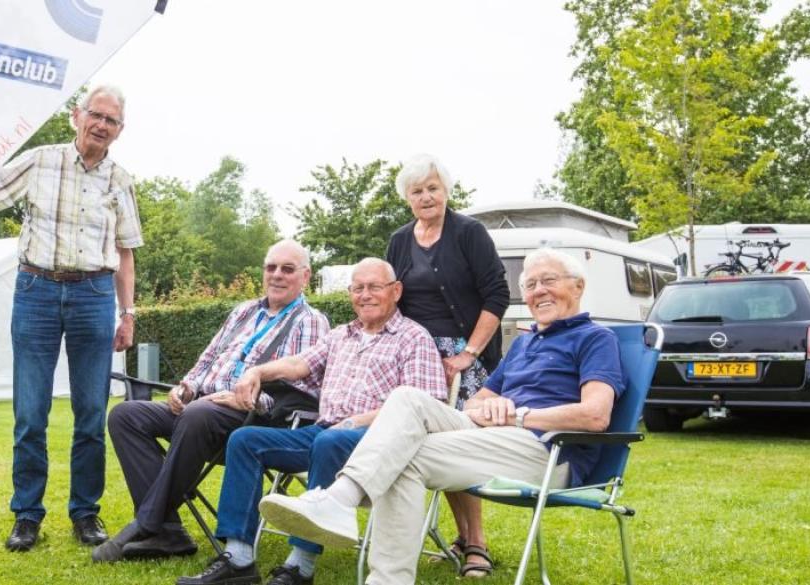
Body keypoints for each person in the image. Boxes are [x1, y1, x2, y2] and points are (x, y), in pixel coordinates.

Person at [259, 248, 625, 585]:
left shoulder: (595, 339)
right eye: (530, 284)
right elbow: (473, 404)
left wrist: (517, 415)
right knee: (406, 398)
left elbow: (595, 416)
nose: (538, 291)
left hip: (546, 451)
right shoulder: (527, 342)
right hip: (498, 433)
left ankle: (351, 524)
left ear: (578, 286)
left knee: (404, 457)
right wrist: (490, 408)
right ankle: (342, 502)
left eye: (549, 281)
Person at [176, 258, 448, 585]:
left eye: (374, 287)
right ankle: (239, 559)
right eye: (358, 288)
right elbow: (299, 364)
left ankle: (299, 567)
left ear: (396, 291)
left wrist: (356, 421)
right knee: (245, 440)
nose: (365, 295)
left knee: (328, 440)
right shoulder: (341, 335)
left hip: (378, 443)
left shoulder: (413, 338)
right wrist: (258, 371)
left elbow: (424, 406)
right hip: (324, 433)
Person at [0, 85, 141, 552]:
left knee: (90, 413)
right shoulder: (40, 160)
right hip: (36, 291)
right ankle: (26, 515)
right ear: (77, 116)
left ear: (119, 131)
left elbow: (126, 254)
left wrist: (127, 314)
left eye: (112, 120)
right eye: (96, 115)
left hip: (93, 295)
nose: (102, 125)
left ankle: (85, 513)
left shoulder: (121, 181)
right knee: (31, 413)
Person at [95, 240, 330, 562]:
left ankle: (147, 523)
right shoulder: (244, 310)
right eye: (271, 267)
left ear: (305, 277)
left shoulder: (311, 321)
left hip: (254, 417)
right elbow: (207, 359)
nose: (277, 275)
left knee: (199, 415)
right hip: (202, 407)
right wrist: (186, 387)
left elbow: (302, 391)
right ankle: (169, 531)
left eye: (287, 269)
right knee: (125, 415)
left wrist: (247, 399)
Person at [384, 154, 510, 576]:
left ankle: (477, 542)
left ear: (446, 191)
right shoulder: (399, 240)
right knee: (414, 443)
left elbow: (496, 295)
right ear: (407, 198)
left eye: (433, 188)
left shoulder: (469, 233)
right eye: (417, 191)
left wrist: (467, 354)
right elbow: (391, 298)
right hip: (414, 357)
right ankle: (454, 536)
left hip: (462, 356)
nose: (426, 196)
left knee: (455, 443)